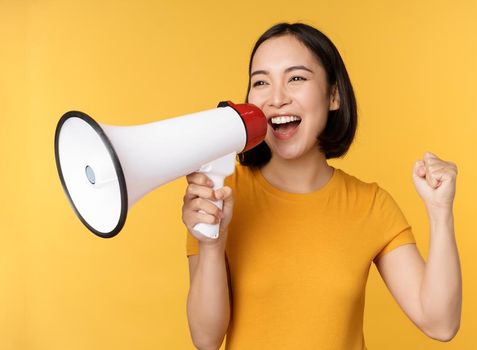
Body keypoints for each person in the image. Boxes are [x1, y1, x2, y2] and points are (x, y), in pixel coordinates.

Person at [182, 23, 461, 350]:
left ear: (333, 96)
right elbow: (206, 340)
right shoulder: (219, 194)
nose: (276, 98)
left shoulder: (370, 204)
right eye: (261, 82)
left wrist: (440, 211)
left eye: (296, 78)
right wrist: (212, 242)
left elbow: (440, 322)